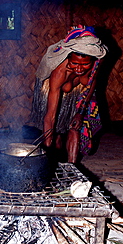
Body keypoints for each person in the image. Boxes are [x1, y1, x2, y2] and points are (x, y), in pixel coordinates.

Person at [31, 25, 107, 163]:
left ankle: (73, 167)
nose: (79, 68)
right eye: (74, 63)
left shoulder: (96, 64)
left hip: (78, 93)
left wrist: (80, 112)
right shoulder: (59, 73)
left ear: (92, 61)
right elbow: (50, 116)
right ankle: (53, 155)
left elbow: (91, 86)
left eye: (84, 65)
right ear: (68, 58)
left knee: (75, 126)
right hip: (57, 89)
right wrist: (47, 150)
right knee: (57, 131)